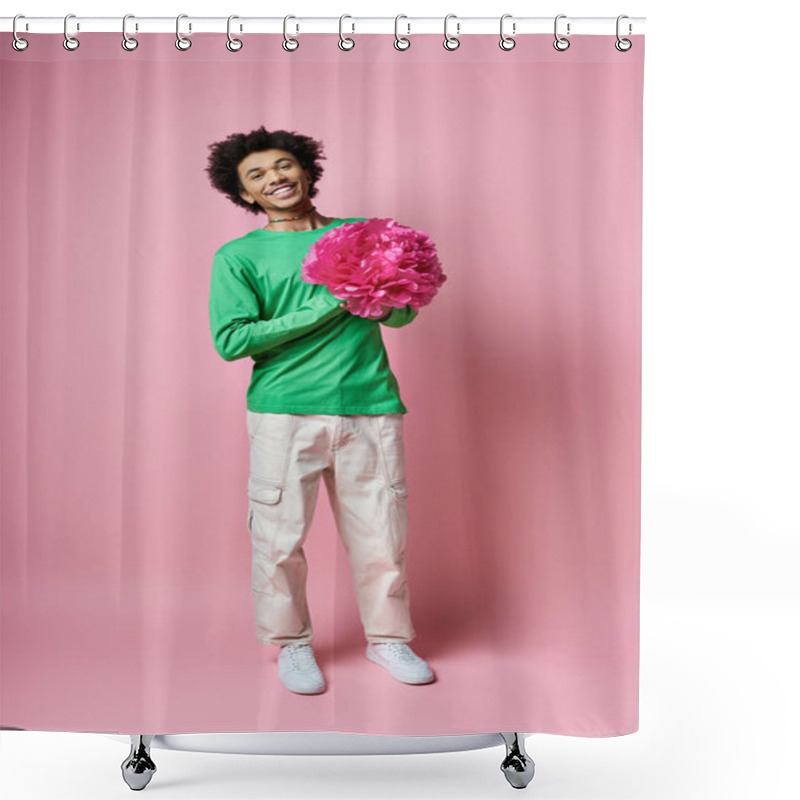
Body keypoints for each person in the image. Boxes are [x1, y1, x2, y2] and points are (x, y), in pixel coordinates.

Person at [205, 127, 434, 694]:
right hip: (284, 413)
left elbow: (401, 318)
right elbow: (232, 341)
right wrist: (330, 299)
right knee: (278, 538)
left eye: (283, 166)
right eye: (256, 175)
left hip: (371, 405)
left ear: (307, 171)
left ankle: (388, 641)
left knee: (383, 534)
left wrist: (388, 287)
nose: (274, 178)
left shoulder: (365, 236)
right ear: (245, 196)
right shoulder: (238, 256)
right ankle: (292, 645)